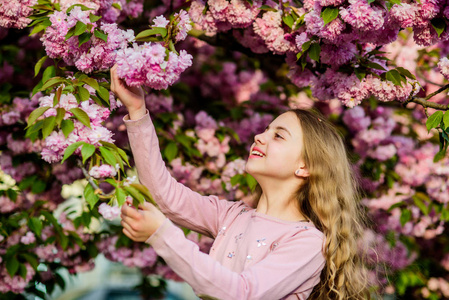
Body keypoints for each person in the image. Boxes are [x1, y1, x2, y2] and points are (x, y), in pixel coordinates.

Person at [110, 65, 370, 299]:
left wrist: (162, 234)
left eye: (278, 136)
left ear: (306, 167)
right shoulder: (233, 216)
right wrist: (137, 111)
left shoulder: (307, 243)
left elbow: (242, 293)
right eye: (265, 129)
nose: (259, 136)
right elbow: (163, 195)